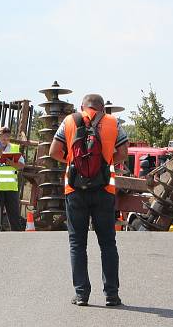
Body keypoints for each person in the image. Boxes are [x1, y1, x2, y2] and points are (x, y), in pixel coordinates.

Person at [49, 93, 129, 307]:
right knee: (107, 243)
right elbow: (123, 152)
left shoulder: (68, 121)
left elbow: (53, 151)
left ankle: (82, 294)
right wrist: (106, 161)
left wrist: (74, 162)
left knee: (77, 243)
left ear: (81, 106)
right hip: (104, 188)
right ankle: (111, 294)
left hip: (74, 189)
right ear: (102, 108)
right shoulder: (114, 123)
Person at [0, 126, 26, 231]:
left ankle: (16, 235)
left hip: (11, 187)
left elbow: (22, 165)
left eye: (7, 138)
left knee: (14, 214)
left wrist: (12, 163)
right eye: (3, 138)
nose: (5, 140)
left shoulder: (14, 148)